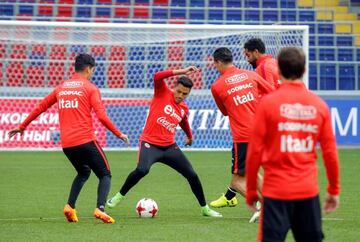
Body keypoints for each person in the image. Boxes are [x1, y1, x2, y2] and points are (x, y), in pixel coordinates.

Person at [8, 54, 129, 224]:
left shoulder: (61, 88)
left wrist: (22, 126)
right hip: (86, 140)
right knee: (105, 174)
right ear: (88, 68)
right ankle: (100, 209)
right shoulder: (90, 88)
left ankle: (70, 207)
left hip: (67, 145)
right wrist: (118, 133)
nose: (93, 72)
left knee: (84, 172)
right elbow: (101, 116)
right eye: (92, 69)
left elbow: (41, 106)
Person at [245, 47, 340, 242]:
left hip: (275, 192)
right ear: (304, 71)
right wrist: (333, 190)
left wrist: (253, 190)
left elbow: (254, 152)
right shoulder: (319, 105)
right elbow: (330, 153)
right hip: (307, 191)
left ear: (278, 71)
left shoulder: (268, 103)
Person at [107, 66, 222, 217]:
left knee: (192, 175)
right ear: (174, 87)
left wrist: (190, 136)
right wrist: (182, 71)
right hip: (150, 144)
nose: (180, 95)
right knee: (142, 170)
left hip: (169, 147)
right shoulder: (162, 92)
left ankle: (204, 208)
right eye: (179, 91)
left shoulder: (183, 108)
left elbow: (183, 121)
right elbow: (157, 76)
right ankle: (118, 196)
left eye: (185, 94)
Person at [209, 47, 274, 223]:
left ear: (218, 62)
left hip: (243, 136)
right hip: (262, 132)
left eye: (214, 63)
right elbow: (272, 93)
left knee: (237, 181)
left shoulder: (217, 86)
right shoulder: (250, 75)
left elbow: (224, 112)